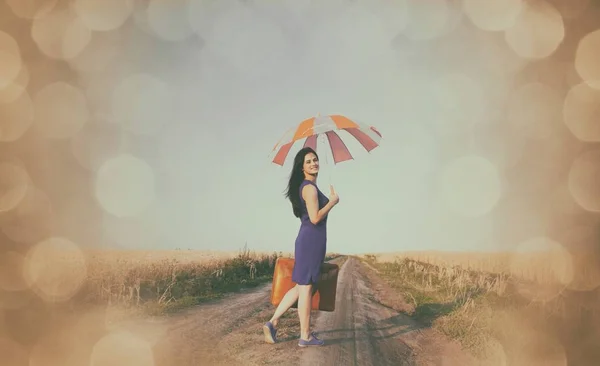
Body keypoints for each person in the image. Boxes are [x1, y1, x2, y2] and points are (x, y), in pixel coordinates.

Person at [263, 147, 339, 347]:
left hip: (310, 240)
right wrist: (332, 203)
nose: (314, 163)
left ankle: (273, 322)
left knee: (301, 287)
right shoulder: (309, 188)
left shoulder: (307, 187)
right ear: (301, 168)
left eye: (315, 159)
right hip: (311, 241)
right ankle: (305, 336)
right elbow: (315, 218)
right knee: (306, 288)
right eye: (308, 161)